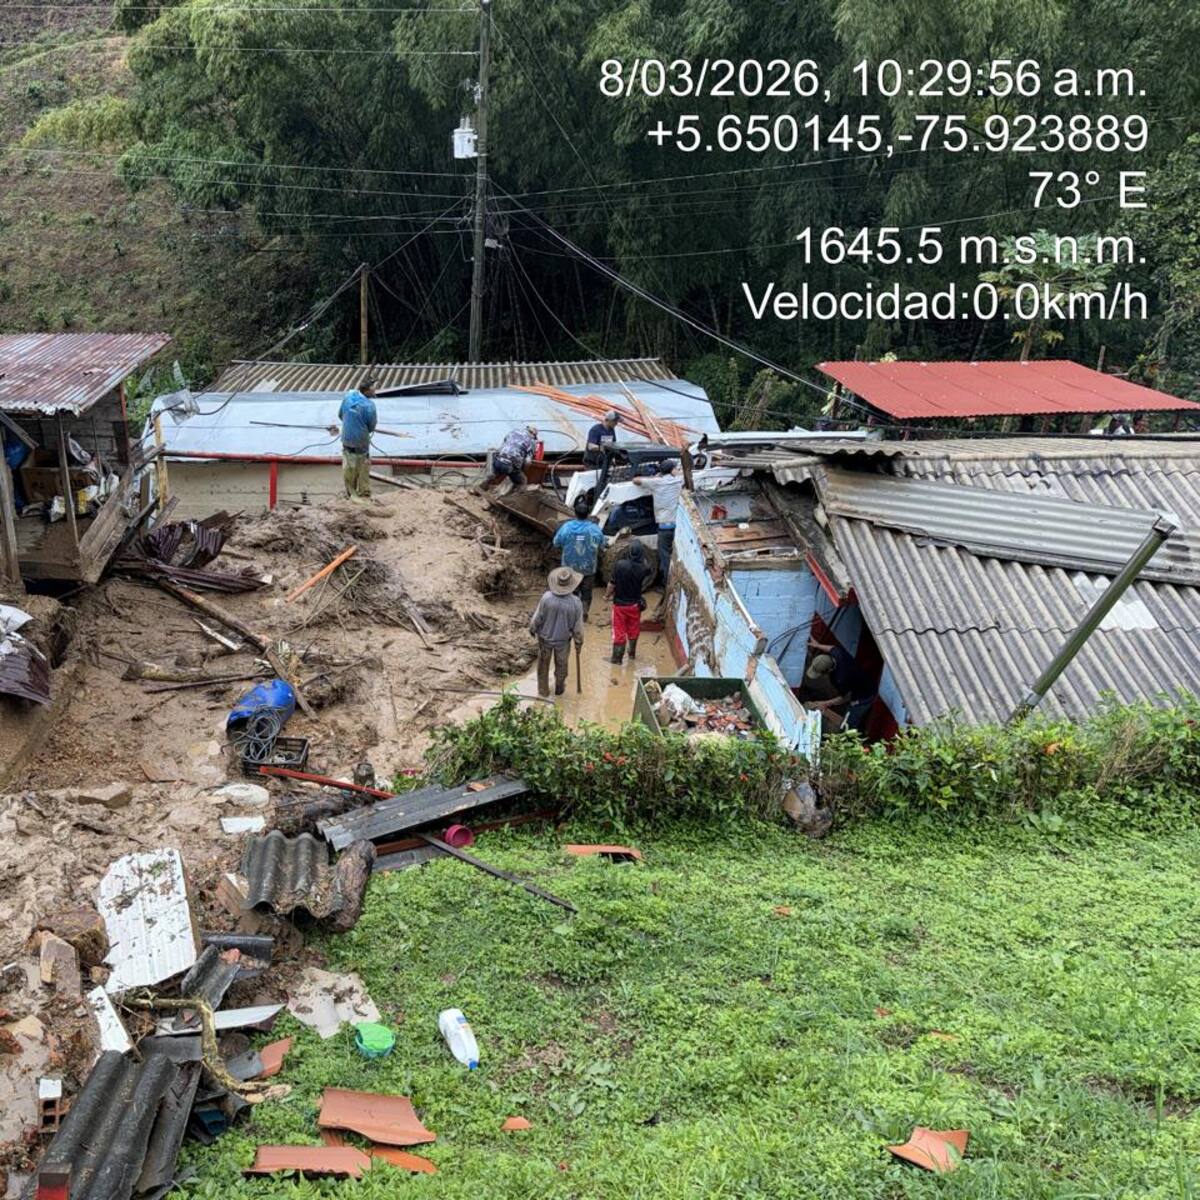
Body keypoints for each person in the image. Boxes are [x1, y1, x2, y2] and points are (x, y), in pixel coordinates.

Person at [528, 566, 585, 697]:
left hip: (545, 639)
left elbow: (537, 618)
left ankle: (543, 692)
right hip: (563, 641)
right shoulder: (576, 603)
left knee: (543, 666)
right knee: (561, 666)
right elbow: (578, 628)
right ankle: (559, 689)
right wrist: (579, 642)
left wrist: (533, 629)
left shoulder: (546, 598)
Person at [552, 496, 606, 618]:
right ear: (588, 514)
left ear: (575, 513)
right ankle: (584, 614)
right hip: (589, 568)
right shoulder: (594, 529)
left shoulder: (566, 527)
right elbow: (602, 545)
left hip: (569, 567)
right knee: (587, 592)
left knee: (570, 590)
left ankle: (571, 614)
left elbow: (556, 543)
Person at [632, 459, 683, 587]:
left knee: (664, 556)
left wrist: (655, 476)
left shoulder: (656, 482)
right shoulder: (679, 481)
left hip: (664, 527)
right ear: (672, 470)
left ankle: (666, 584)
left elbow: (636, 480)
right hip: (678, 526)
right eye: (676, 468)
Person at [605, 540, 650, 664]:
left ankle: (616, 660)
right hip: (635, 606)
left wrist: (606, 596)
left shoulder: (620, 565)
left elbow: (611, 584)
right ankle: (631, 655)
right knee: (633, 630)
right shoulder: (644, 568)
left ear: (629, 552)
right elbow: (647, 567)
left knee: (619, 632)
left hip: (620, 606)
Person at [331, 379, 377, 500]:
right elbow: (372, 426)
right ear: (366, 391)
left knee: (349, 469)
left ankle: (350, 493)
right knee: (362, 469)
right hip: (361, 442)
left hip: (346, 440)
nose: (375, 391)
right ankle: (363, 494)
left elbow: (341, 415)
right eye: (372, 389)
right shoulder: (370, 406)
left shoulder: (348, 397)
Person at [798, 653, 852, 733]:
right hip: (842, 690)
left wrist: (826, 703)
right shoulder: (836, 654)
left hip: (859, 697)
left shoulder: (840, 678)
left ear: (828, 670)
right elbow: (833, 649)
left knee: (848, 725)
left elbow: (847, 697)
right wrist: (817, 645)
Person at [486, 425, 538, 491]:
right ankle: (512, 500)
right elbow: (527, 461)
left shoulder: (513, 432)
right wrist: (523, 471)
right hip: (511, 464)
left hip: (498, 460)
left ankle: (478, 489)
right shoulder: (532, 441)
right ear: (533, 434)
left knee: (493, 475)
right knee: (523, 481)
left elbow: (504, 444)